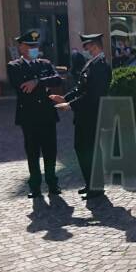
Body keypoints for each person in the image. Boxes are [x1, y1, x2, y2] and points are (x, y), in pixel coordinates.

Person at [51, 33, 111, 200]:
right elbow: (80, 88)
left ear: (95, 45)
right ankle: (91, 184)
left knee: (89, 150)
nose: (85, 49)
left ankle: (96, 187)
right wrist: (65, 98)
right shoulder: (91, 63)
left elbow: (93, 95)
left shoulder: (100, 65)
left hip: (92, 115)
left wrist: (70, 105)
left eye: (87, 46)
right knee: (83, 148)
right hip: (85, 115)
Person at [7, 29, 63, 198]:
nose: (33, 48)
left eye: (35, 45)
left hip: (47, 114)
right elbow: (21, 87)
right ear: (21, 47)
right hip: (29, 116)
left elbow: (57, 79)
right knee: (32, 152)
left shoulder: (45, 64)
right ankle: (35, 186)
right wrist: (40, 86)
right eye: (29, 45)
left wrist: (37, 82)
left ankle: (53, 184)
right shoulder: (14, 66)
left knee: (50, 151)